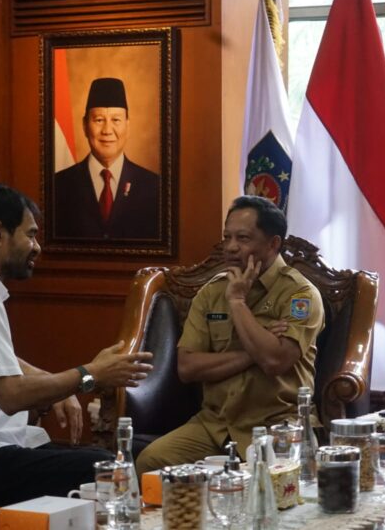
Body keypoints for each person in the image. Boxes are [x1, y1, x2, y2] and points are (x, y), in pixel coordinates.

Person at [0, 183, 153, 512]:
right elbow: (11, 396)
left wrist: (53, 382)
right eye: (30, 235)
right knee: (105, 467)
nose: (36, 247)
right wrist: (90, 375)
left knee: (97, 461)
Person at [135, 195, 324, 474]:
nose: (231, 248)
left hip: (278, 426)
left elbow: (275, 362)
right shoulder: (212, 292)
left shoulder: (299, 295)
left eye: (244, 238)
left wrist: (237, 302)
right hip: (215, 424)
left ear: (273, 244)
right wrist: (254, 351)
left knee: (263, 484)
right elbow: (187, 367)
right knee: (151, 461)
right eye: (227, 237)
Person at [53, 77, 160, 240]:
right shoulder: (58, 185)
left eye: (116, 120)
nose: (107, 130)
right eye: (99, 120)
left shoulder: (154, 187)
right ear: (84, 126)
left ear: (128, 126)